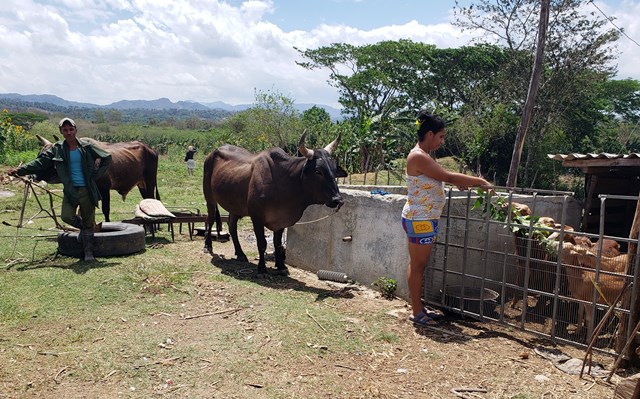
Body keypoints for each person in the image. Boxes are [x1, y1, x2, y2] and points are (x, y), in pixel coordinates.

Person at [402, 111, 491, 326]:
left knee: (418, 265)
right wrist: (479, 181)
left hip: (424, 218)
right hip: (420, 219)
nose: (442, 141)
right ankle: (417, 313)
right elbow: (448, 176)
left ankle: (419, 308)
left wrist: (454, 182)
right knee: (418, 265)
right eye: (441, 136)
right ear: (430, 134)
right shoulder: (418, 156)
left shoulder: (423, 155)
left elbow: (439, 177)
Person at [7, 117, 112, 262]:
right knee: (66, 216)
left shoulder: (87, 146)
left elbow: (107, 157)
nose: (68, 132)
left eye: (71, 129)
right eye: (65, 130)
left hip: (87, 190)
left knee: (88, 220)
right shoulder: (57, 149)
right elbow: (40, 162)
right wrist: (20, 170)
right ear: (61, 132)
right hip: (70, 190)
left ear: (75, 130)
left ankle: (89, 252)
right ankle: (85, 229)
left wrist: (95, 175)